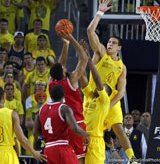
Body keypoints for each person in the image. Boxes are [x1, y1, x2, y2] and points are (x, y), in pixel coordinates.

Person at [86, 0, 135, 161]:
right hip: (93, 97)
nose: (109, 44)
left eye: (113, 43)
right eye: (109, 42)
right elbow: (90, 32)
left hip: (110, 99)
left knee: (119, 130)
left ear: (119, 48)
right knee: (89, 131)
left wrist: (109, 106)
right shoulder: (100, 53)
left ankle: (132, 158)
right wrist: (99, 12)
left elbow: (121, 92)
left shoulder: (122, 67)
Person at [0, 86, 46, 163]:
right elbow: (22, 139)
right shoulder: (12, 114)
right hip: (7, 154)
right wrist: (34, 153)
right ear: (3, 97)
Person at [49, 31, 88, 163]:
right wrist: (72, 39)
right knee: (80, 159)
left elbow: (59, 64)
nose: (65, 66)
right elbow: (84, 58)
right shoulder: (71, 80)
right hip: (76, 124)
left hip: (62, 127)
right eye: (64, 67)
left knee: (65, 159)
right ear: (63, 72)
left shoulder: (52, 84)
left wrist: (65, 45)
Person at [34, 84, 90, 164]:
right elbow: (75, 128)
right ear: (64, 95)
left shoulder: (41, 109)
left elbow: (35, 132)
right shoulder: (64, 108)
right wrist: (86, 134)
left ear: (51, 96)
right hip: (62, 147)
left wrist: (51, 135)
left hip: (48, 149)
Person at [79, 40, 111, 163]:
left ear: (106, 92)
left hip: (95, 140)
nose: (101, 86)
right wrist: (82, 56)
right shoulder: (89, 96)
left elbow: (97, 81)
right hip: (81, 137)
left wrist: (89, 60)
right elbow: (82, 76)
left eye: (104, 87)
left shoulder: (104, 101)